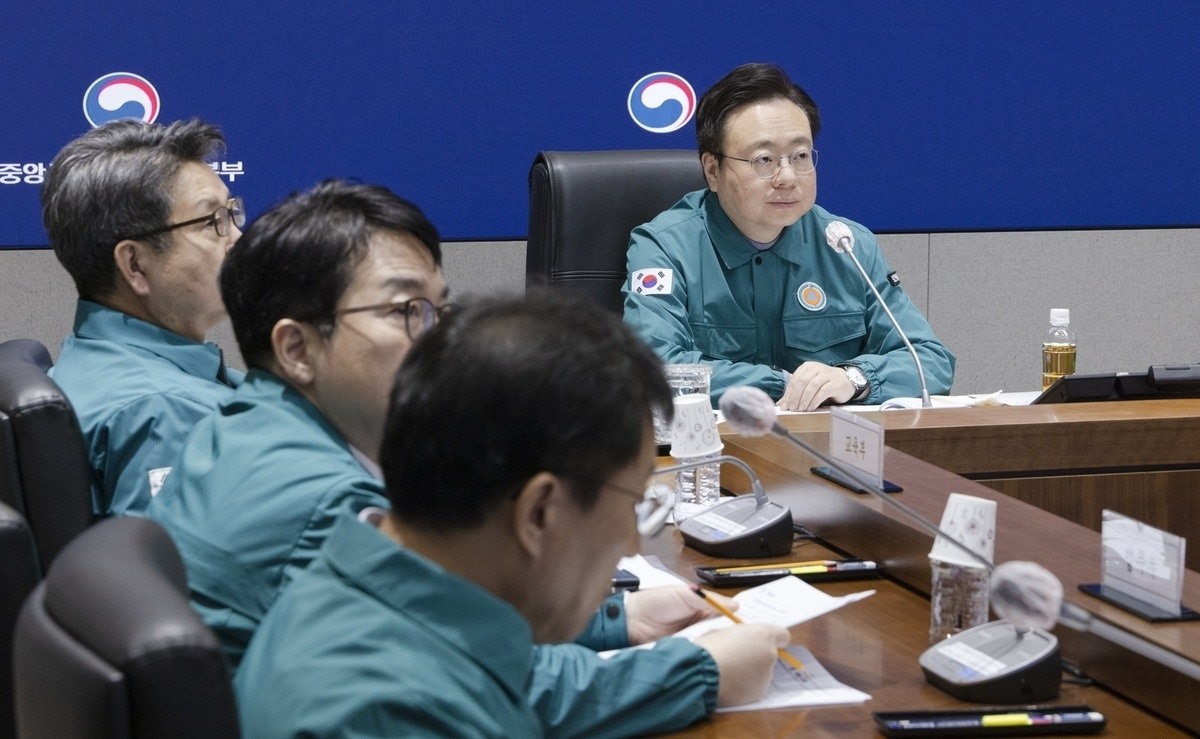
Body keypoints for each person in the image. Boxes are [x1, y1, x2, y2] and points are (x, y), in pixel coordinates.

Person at [148, 179, 785, 736]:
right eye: (408, 311)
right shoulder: (322, 508)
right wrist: (694, 671)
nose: (440, 339)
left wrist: (616, 620)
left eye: (440, 309)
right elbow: (477, 681)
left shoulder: (262, 437)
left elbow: (448, 627)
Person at [235, 289, 788, 737]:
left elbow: (514, 672)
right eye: (633, 504)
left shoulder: (369, 584)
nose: (631, 546)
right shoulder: (393, 713)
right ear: (539, 512)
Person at [623, 63, 955, 411]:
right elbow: (651, 371)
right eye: (764, 159)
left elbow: (930, 361)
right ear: (712, 170)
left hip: (828, 443)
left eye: (800, 156)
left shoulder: (846, 245)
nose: (787, 177)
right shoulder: (664, 248)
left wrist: (854, 379)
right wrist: (788, 384)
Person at [42, 119, 243, 516]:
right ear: (135, 264)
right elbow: (170, 560)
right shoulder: (168, 413)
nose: (237, 238)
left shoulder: (92, 358)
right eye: (212, 222)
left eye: (232, 213)